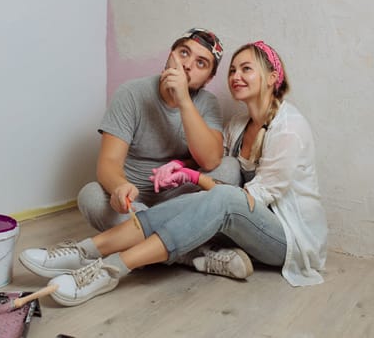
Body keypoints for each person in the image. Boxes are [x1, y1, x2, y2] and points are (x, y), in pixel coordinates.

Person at [19, 40, 327, 307]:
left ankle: (108, 269)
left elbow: (246, 199)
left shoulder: (289, 128)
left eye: (246, 69)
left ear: (273, 77)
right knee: (212, 195)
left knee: (222, 196)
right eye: (233, 70)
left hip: (287, 238)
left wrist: (191, 177)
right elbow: (218, 187)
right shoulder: (238, 125)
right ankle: (89, 252)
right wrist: (183, 170)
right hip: (242, 228)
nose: (236, 76)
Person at [77, 27, 241, 233]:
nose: (187, 65)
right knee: (90, 196)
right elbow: (109, 162)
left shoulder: (208, 103)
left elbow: (210, 161)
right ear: (170, 55)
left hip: (178, 197)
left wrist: (183, 99)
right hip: (133, 196)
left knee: (230, 167)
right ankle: (184, 247)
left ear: (209, 78)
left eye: (201, 63)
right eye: (183, 53)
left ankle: (143, 236)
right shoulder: (131, 93)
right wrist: (119, 187)